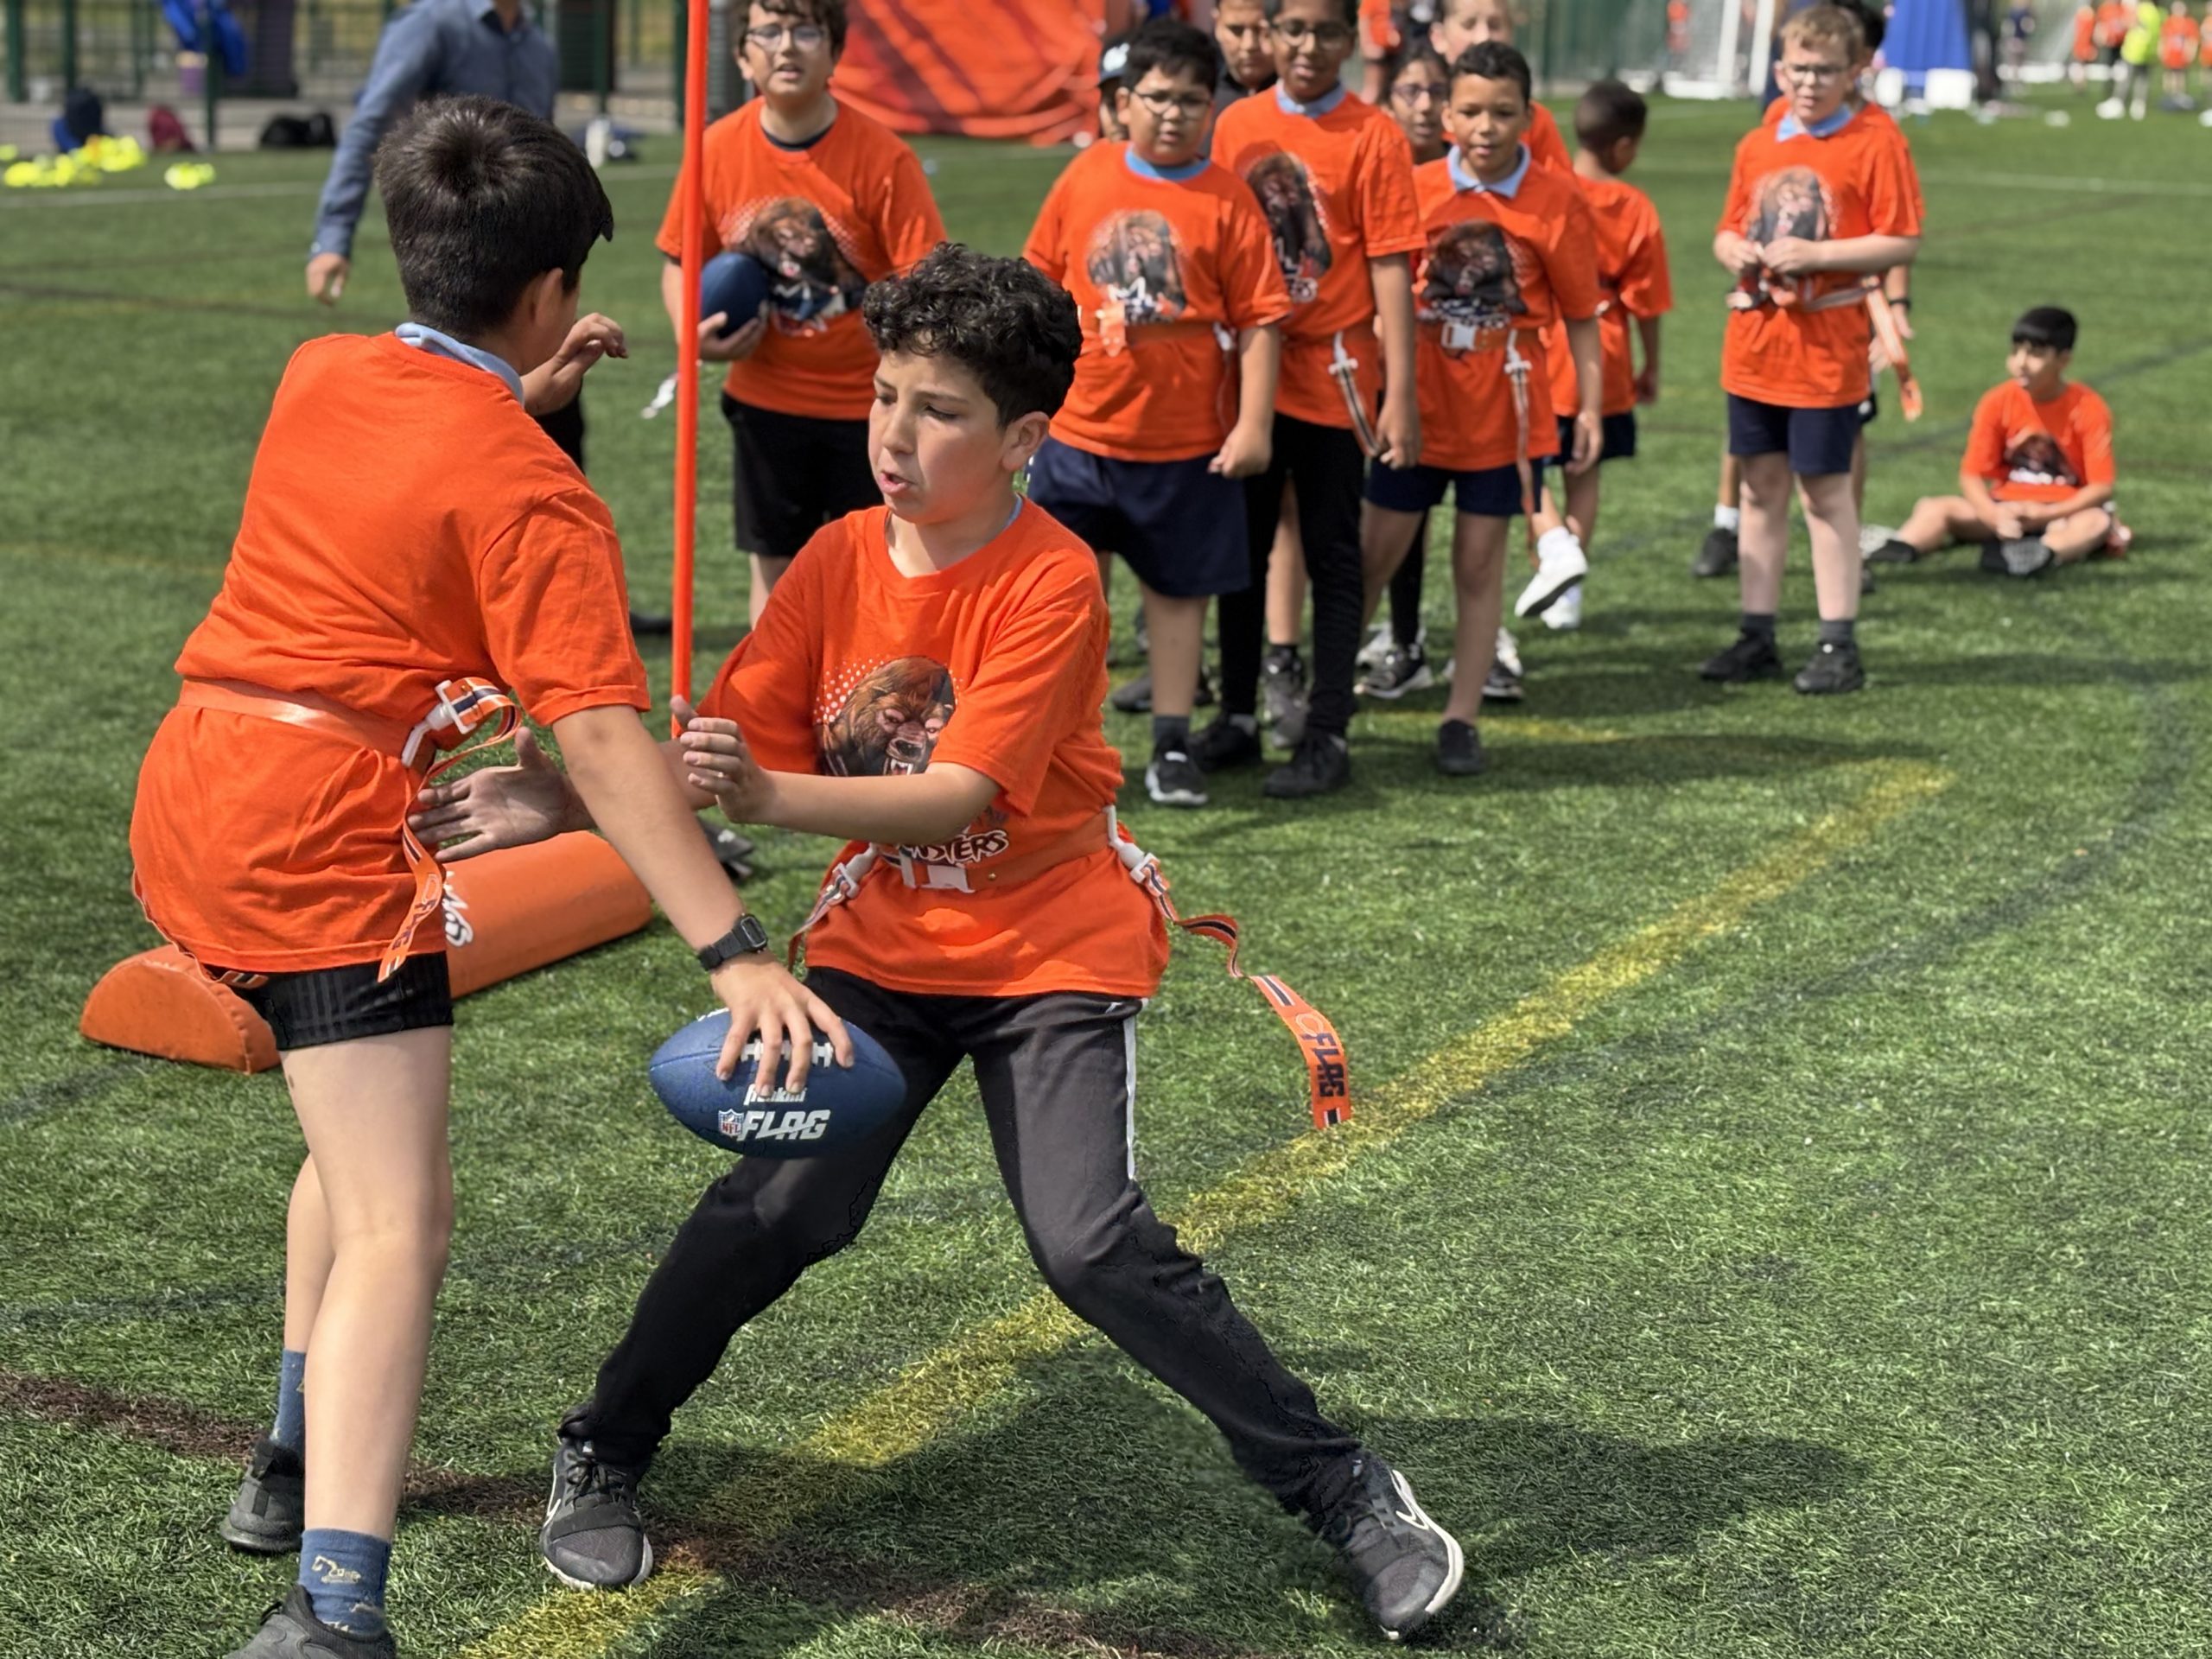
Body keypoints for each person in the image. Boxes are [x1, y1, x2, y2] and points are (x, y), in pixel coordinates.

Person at [429, 243, 1465, 1643]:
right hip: (884, 948)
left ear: (1024, 439)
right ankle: (604, 1446)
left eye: (939, 411)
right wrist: (564, 798)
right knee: (785, 1208)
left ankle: (1346, 1492)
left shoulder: (1050, 580)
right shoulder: (833, 562)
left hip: (1050, 951)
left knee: (1089, 1244)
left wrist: (767, 798)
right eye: (885, 397)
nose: (895, 435)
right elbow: (721, 757)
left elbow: (955, 796)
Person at [131, 96, 839, 1659]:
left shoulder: (321, 371)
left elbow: (423, 433)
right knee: (403, 1221)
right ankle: (335, 1612)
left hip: (194, 793)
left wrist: (522, 385)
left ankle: (289, 1462)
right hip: (323, 836)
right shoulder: (534, 493)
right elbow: (599, 738)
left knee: (351, 1131)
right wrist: (733, 946)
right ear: (553, 285)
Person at [299, 0, 667, 634]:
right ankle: (452, 603)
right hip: (465, 278)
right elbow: (373, 125)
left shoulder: (537, 45)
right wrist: (331, 236)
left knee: (557, 435)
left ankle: (571, 597)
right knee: (448, 425)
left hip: (533, 279)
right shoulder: (431, 26)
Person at [1022, 18, 1288, 810]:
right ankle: (1062, 741)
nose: (1174, 114)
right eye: (1158, 98)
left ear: (1213, 106)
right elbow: (1038, 282)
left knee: (1177, 598)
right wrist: (1028, 400)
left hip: (1184, 443)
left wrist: (1253, 425)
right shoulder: (1085, 176)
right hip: (1079, 435)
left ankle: (1172, 743)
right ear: (1123, 101)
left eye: (1192, 101)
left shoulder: (1227, 198)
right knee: (1064, 598)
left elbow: (1262, 319)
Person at [1358, 41, 1603, 779]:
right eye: (1469, 111)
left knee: (1478, 563)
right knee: (1372, 554)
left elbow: (1582, 315)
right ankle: (1328, 695)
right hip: (1416, 408)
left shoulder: (1558, 200)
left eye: (1502, 112)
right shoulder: (1417, 186)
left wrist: (1590, 408)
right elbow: (1382, 291)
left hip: (1505, 418)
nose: (1485, 127)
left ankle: (1460, 716)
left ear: (1529, 116)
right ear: (1446, 115)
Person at [1198, 0, 1422, 798]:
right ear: (1269, 33)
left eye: (1326, 31)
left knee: (1331, 554)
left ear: (1350, 39)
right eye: (1292, 28)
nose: (1307, 46)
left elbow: (1391, 264)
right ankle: (1237, 715)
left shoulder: (1375, 134)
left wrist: (1400, 392)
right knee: (1241, 550)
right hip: (1247, 377)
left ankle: (1328, 732)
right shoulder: (1237, 125)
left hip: (1335, 378)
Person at [661, 0, 946, 626]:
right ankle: (776, 687)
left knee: (878, 569)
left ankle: (865, 687)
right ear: (742, 57)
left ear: (836, 53)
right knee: (776, 572)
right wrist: (691, 335)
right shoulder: (717, 149)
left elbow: (925, 279)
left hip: (869, 410)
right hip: (766, 405)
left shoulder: (883, 158)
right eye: (768, 31)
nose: (786, 46)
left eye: (806, 31)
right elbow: (681, 260)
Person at [1702, 3, 1919, 696]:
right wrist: (1732, 249)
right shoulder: (1759, 142)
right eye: (1798, 68)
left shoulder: (1874, 141)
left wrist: (1820, 254)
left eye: (1825, 70)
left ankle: (1838, 641)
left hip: (1825, 348)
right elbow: (1728, 227)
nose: (1809, 82)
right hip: (1755, 345)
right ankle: (1756, 632)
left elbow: (1901, 239)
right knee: (1758, 490)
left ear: (1855, 71)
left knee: (1824, 493)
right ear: (1779, 69)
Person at [1535, 79, 1670, 634]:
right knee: (1585, 474)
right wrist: (1651, 364)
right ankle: (1567, 583)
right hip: (1603, 355)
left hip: (1545, 347)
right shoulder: (1634, 207)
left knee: (1524, 466)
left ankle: (1554, 546)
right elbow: (1647, 301)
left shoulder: (1547, 190)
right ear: (1624, 146)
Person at [1867, 307, 2117, 577]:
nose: (2021, 362)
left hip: (2061, 512)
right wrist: (1992, 515)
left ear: (2063, 360)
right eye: (2015, 351)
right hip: (2004, 507)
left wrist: (2047, 514)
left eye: (2035, 354)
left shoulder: (2088, 406)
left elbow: (2101, 487)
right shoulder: (1997, 401)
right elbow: (1971, 475)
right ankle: (1902, 545)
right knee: (1934, 507)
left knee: (2096, 521)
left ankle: (2044, 552)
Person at [1358, 35, 1449, 699]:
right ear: (1387, 101)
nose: (1424, 105)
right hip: (1360, 368)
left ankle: (1409, 637)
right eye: (1410, 91)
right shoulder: (1374, 166)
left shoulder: (1466, 176)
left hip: (1440, 375)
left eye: (1436, 91)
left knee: (1409, 509)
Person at [2160, 0, 2200, 97]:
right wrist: (2161, 51)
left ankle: (2179, 95)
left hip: (2182, 56)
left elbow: (2193, 40)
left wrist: (2191, 53)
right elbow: (2163, 39)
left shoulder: (2189, 23)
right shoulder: (2168, 22)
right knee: (2169, 75)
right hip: (2170, 55)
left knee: (2180, 75)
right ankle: (2169, 95)